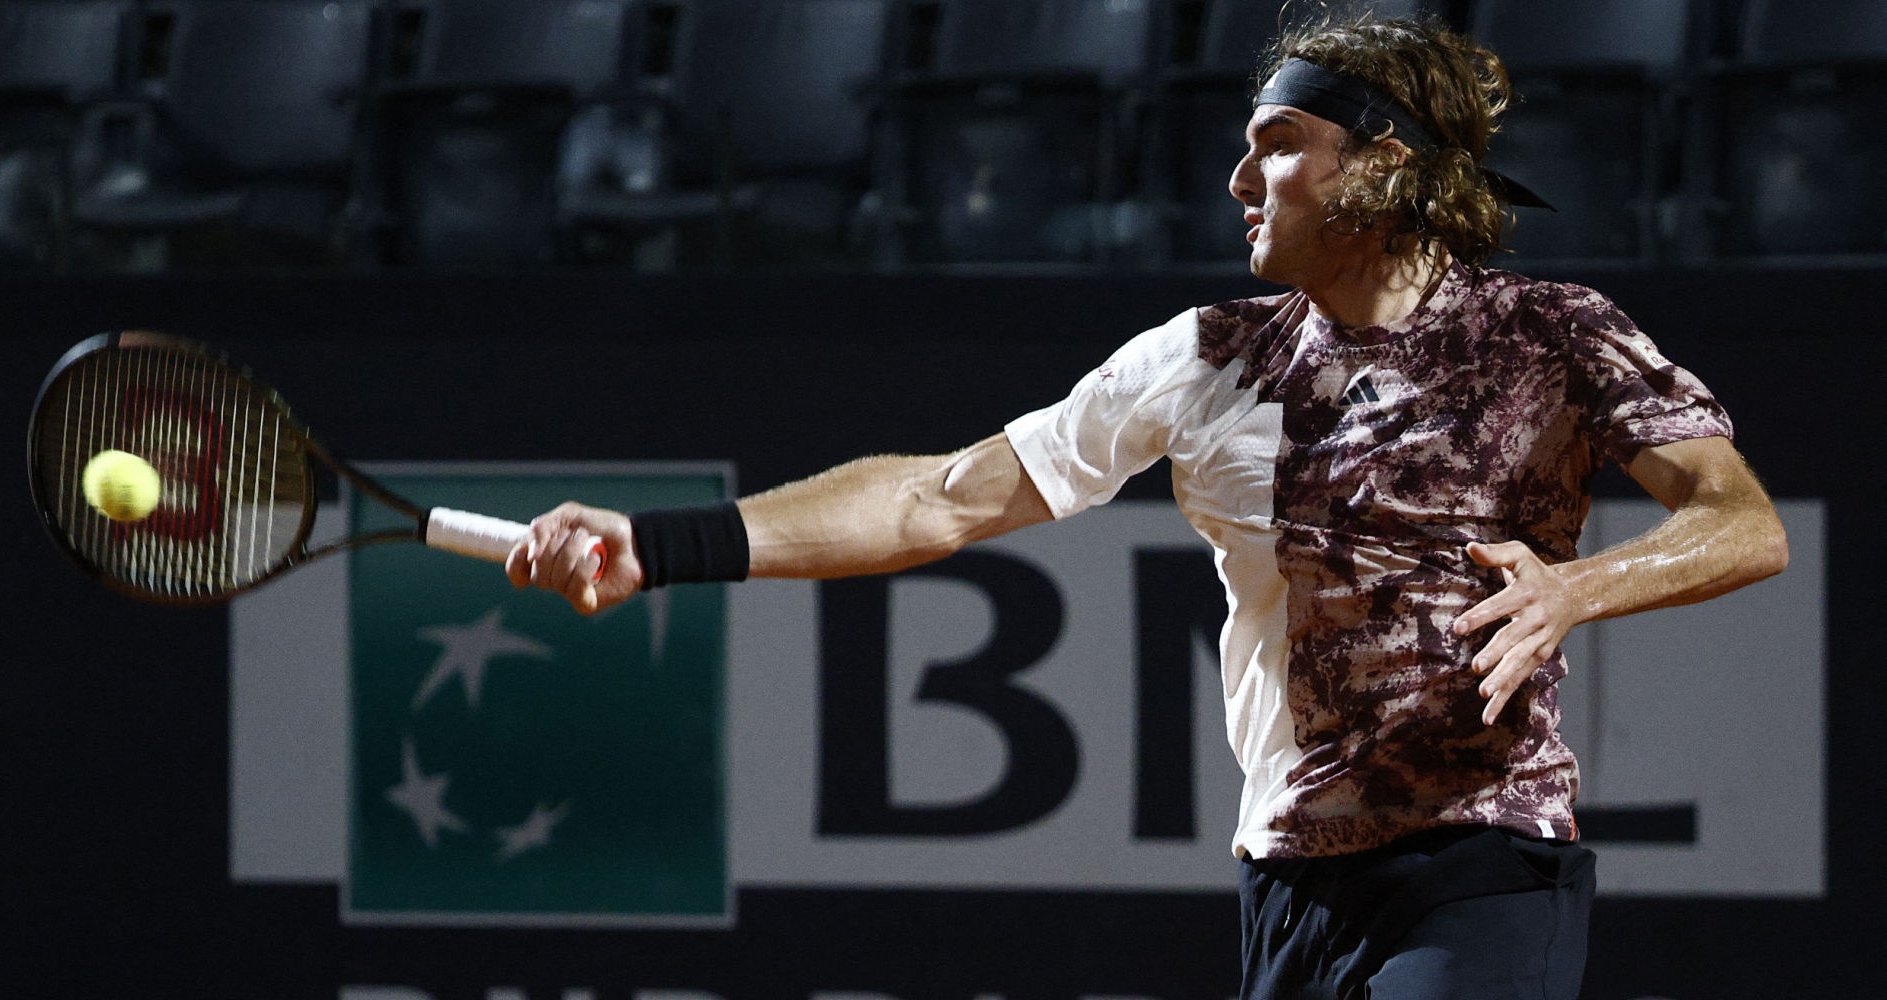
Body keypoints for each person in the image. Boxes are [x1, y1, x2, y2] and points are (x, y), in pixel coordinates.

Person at [508, 13, 1789, 1000]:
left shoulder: (1550, 334)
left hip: (1485, 853)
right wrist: (661, 545)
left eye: (1279, 143)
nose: (1238, 177)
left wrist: (1578, 585)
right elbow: (936, 504)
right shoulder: (1205, 357)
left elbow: (1743, 523)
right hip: (1287, 874)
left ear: (1386, 162)